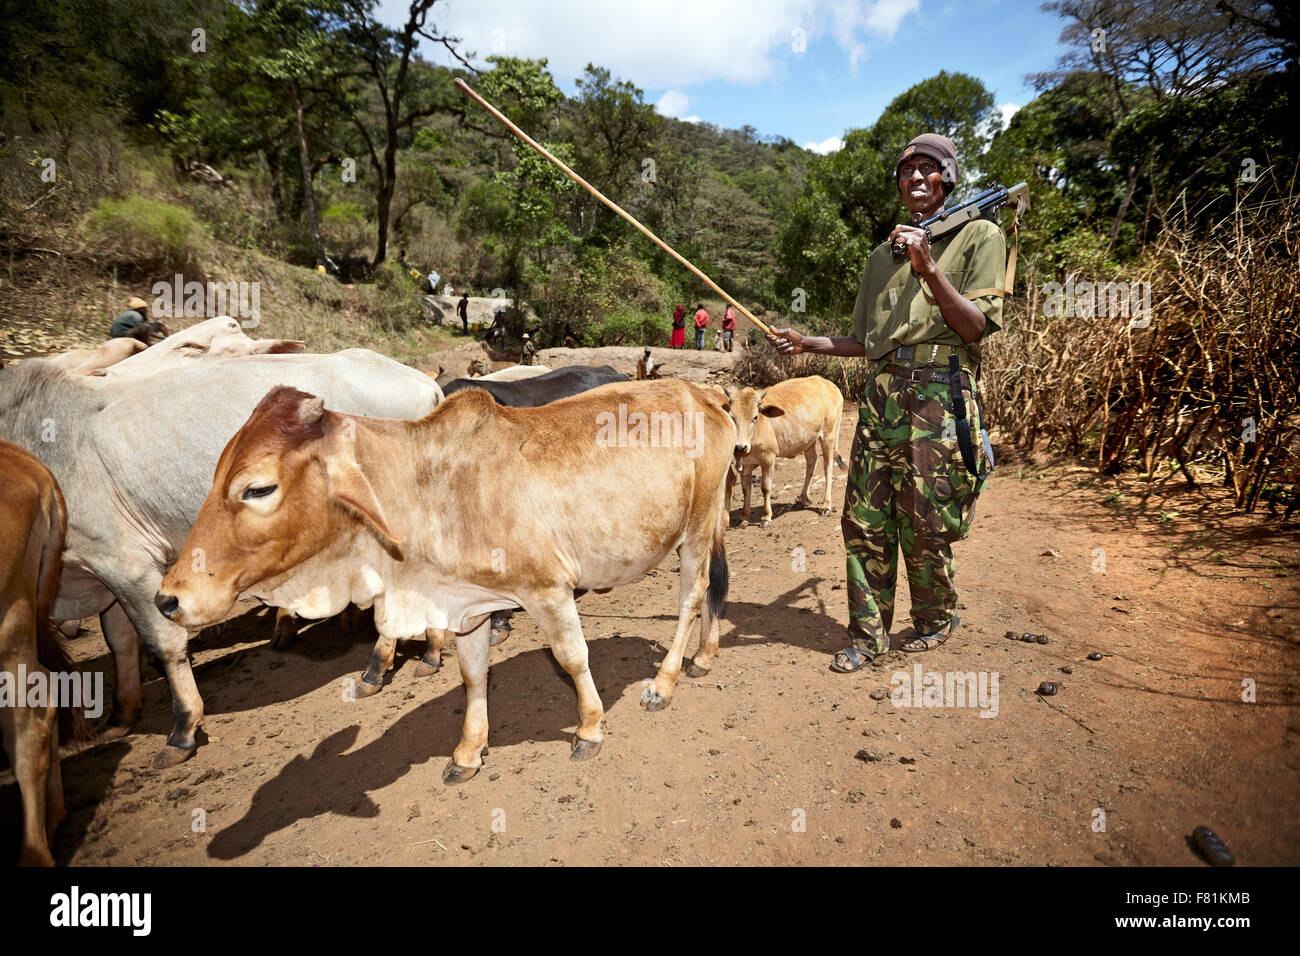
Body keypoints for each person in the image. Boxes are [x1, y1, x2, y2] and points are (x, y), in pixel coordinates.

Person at [766, 132, 1004, 673]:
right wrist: (807, 344)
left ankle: (935, 618)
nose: (916, 177)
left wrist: (930, 268)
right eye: (906, 171)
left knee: (927, 519)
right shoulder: (881, 256)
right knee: (866, 518)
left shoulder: (981, 236)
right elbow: (868, 342)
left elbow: (974, 327)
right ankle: (868, 634)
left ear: (948, 177)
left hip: (943, 392)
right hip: (884, 394)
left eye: (928, 168)